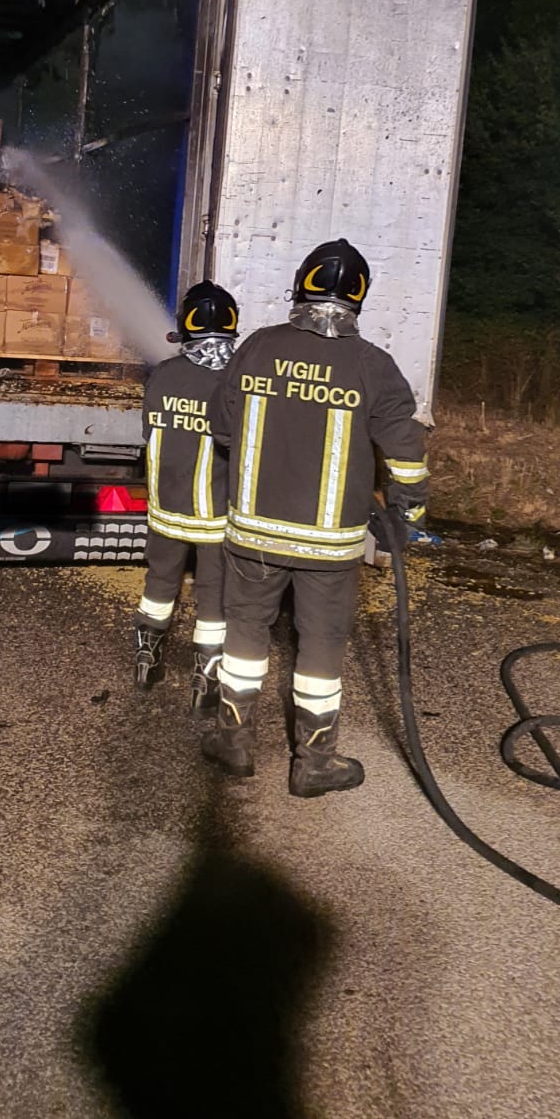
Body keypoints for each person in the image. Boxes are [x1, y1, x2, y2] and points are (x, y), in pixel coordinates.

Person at [204, 239, 429, 796]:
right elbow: (405, 448)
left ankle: (233, 743)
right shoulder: (372, 365)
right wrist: (408, 512)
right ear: (359, 297)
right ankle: (314, 763)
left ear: (301, 284)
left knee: (247, 632)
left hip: (253, 534)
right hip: (330, 547)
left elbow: (224, 430)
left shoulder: (256, 348)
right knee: (322, 642)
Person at [134, 280, 239, 714]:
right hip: (215, 519)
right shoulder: (236, 380)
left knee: (159, 586)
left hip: (165, 512)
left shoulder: (163, 373)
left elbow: (148, 433)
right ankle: (204, 680)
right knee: (212, 596)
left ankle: (146, 661)